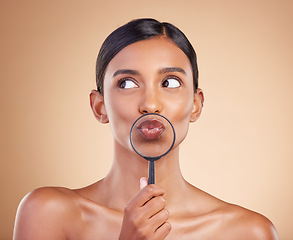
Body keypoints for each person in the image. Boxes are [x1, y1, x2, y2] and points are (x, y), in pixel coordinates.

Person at [13, 18, 279, 240]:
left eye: (171, 82)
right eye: (127, 83)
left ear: (196, 105)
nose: (150, 104)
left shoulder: (248, 232)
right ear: (99, 106)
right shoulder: (48, 214)